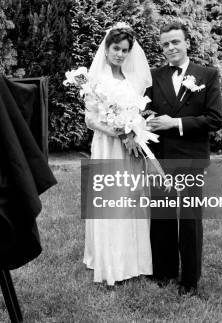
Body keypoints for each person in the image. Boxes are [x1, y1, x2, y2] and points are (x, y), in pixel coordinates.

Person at [146, 21, 222, 296]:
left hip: (191, 158)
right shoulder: (153, 76)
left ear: (187, 42)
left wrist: (174, 124)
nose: (170, 48)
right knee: (162, 216)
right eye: (165, 44)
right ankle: (163, 272)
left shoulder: (207, 75)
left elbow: (214, 119)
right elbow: (145, 111)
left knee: (189, 220)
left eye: (175, 42)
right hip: (161, 159)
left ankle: (189, 279)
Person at [83, 24, 153, 285]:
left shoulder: (132, 81)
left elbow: (136, 113)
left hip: (130, 149)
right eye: (116, 49)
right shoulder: (95, 80)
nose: (120, 54)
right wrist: (119, 133)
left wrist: (134, 130)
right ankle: (109, 260)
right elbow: (90, 119)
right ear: (107, 48)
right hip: (107, 146)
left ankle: (133, 260)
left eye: (125, 50)